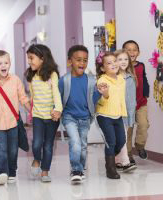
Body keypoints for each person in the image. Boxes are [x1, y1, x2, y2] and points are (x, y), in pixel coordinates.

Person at [0, 50, 30, 185]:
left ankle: (12, 171)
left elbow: (23, 98)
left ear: (10, 64)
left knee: (13, 149)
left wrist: (32, 111)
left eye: (6, 62)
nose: (3, 65)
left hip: (13, 121)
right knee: (1, 148)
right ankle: (0, 173)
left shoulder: (15, 80)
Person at [58, 45, 102, 183]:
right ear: (70, 61)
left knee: (82, 144)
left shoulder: (91, 80)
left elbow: (92, 100)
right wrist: (56, 111)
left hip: (85, 118)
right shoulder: (64, 80)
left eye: (85, 60)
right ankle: (75, 169)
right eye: (78, 60)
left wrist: (99, 93)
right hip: (69, 117)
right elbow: (58, 98)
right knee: (75, 142)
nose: (82, 63)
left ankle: (81, 167)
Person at [25, 44, 62, 182]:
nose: (29, 61)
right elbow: (33, 96)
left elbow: (56, 93)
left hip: (52, 116)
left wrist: (58, 109)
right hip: (38, 116)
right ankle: (36, 160)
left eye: (31, 58)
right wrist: (30, 112)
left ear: (42, 58)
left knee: (48, 145)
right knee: (36, 143)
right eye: (28, 58)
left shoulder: (52, 74)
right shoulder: (31, 75)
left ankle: (45, 172)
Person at [95, 51, 127, 179]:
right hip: (104, 115)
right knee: (111, 141)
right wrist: (105, 94)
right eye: (109, 63)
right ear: (103, 68)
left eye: (115, 61)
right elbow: (100, 100)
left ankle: (110, 157)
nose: (114, 64)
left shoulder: (121, 79)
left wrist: (123, 112)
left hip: (117, 115)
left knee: (121, 141)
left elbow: (121, 98)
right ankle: (110, 169)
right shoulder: (102, 80)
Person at [123, 40, 150, 164]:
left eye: (134, 49)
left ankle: (139, 145)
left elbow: (143, 78)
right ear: (123, 52)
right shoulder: (122, 67)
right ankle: (128, 154)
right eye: (128, 49)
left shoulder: (141, 65)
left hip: (140, 102)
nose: (131, 52)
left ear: (138, 52)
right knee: (128, 129)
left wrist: (146, 93)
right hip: (127, 104)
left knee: (143, 125)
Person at [114, 49, 137, 172]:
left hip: (128, 113)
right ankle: (125, 161)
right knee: (121, 138)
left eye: (126, 59)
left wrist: (132, 115)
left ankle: (117, 160)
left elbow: (132, 99)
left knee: (122, 138)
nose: (123, 62)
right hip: (116, 113)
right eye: (120, 59)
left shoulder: (131, 78)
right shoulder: (113, 77)